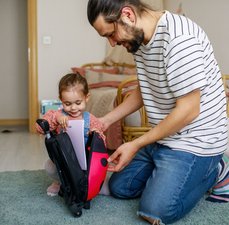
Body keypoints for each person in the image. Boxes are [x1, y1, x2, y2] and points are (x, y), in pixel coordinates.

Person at [87, 0, 228, 224]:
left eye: (110, 34)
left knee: (156, 211)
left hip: (197, 141)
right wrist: (105, 121)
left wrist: (136, 143)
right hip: (165, 138)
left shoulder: (180, 40)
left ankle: (217, 169)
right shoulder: (139, 39)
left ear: (127, 15)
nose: (112, 43)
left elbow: (189, 111)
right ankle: (168, 171)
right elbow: (145, 90)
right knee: (118, 188)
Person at [36, 72, 109, 196]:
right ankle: (60, 182)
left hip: (85, 160)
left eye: (78, 103)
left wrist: (96, 135)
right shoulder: (58, 115)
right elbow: (39, 127)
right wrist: (56, 117)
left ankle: (93, 185)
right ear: (61, 100)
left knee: (96, 171)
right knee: (49, 166)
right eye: (68, 104)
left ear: (87, 97)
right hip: (64, 159)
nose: (73, 108)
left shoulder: (90, 119)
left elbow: (102, 142)